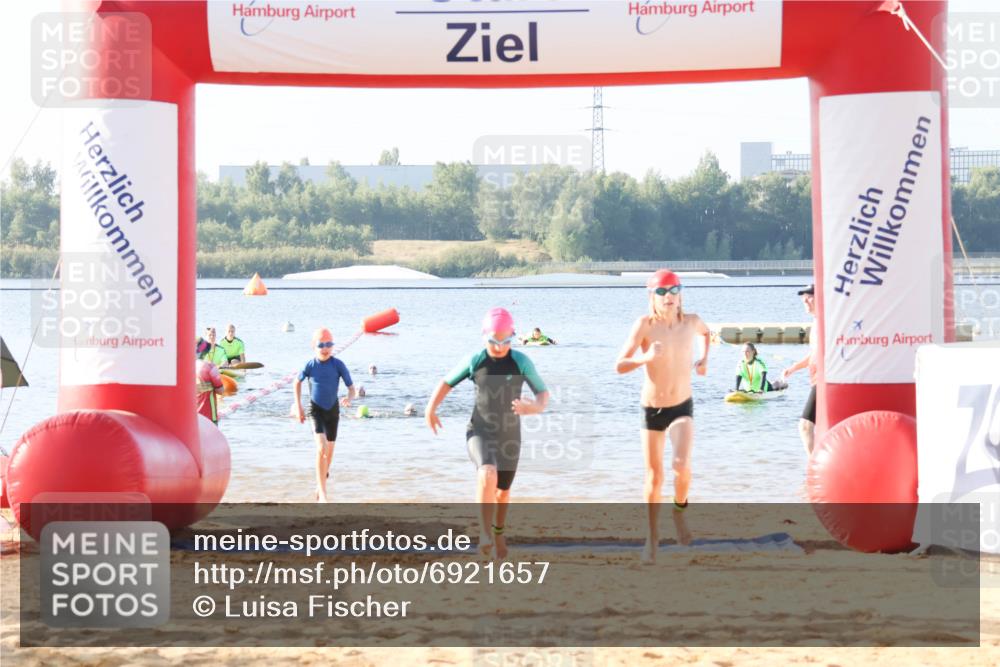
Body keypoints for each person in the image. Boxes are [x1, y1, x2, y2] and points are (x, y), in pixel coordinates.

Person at [425, 307, 549, 559]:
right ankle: (484, 533)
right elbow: (446, 382)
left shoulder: (521, 362)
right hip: (479, 430)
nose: (500, 346)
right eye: (494, 340)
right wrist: (431, 409)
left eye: (506, 340)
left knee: (503, 492)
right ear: (484, 336)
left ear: (513, 336)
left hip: (510, 435)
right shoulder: (475, 360)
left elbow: (543, 394)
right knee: (487, 472)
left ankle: (498, 531)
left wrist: (533, 407)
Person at [616, 269, 710, 562]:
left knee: (681, 466)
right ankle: (652, 538)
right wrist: (645, 358)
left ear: (681, 294)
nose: (668, 297)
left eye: (673, 291)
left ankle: (679, 511)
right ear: (651, 297)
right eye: (661, 292)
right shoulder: (644, 325)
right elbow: (619, 364)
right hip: (652, 408)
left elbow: (708, 334)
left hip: (682, 405)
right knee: (654, 477)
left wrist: (705, 358)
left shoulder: (691, 322)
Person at [293, 328, 357, 502]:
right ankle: (323, 494)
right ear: (314, 346)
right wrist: (298, 406)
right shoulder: (310, 365)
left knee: (328, 453)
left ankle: (320, 484)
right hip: (315, 410)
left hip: (333, 411)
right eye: (321, 344)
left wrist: (349, 398)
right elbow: (296, 383)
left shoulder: (338, 365)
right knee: (321, 448)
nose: (325, 348)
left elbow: (352, 389)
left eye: (329, 344)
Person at [782, 284, 818, 455]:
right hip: (816, 379)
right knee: (814, 427)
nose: (805, 300)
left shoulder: (827, 322)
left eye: (809, 297)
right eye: (803, 298)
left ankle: (813, 469)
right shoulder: (816, 323)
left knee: (805, 425)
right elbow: (813, 355)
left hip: (824, 380)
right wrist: (794, 368)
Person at [195, 338, 225, 425]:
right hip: (209, 416)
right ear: (206, 352)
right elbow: (221, 391)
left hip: (192, 416)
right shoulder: (210, 367)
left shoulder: (186, 366)